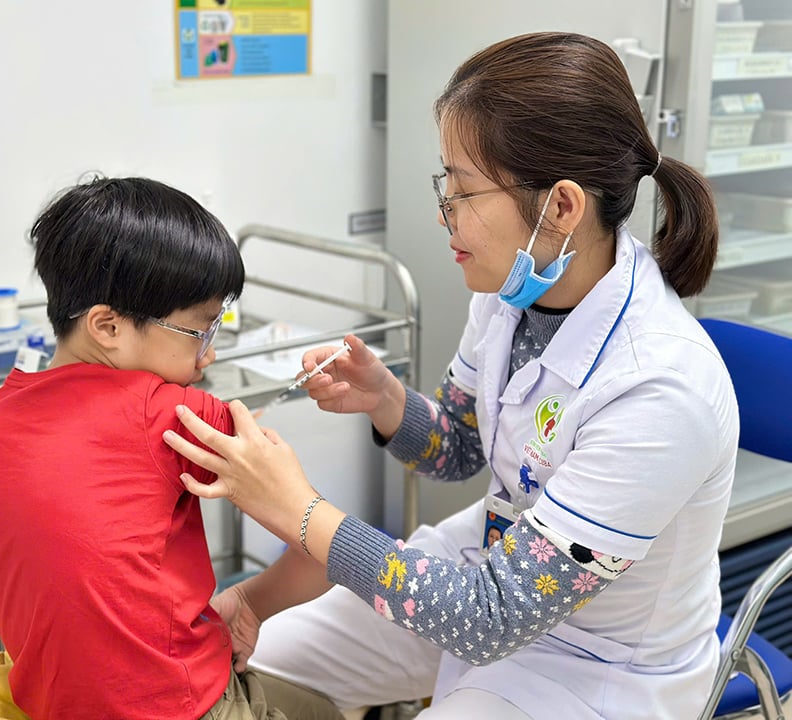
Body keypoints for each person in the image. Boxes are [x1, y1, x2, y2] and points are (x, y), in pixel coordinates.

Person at [161, 32, 739, 720]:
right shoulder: (513, 293)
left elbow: (491, 616)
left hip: (597, 666)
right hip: (479, 575)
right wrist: (387, 401)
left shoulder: (661, 390)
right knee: (255, 660)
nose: (445, 215)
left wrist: (299, 509)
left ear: (560, 208)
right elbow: (461, 445)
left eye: (462, 191)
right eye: (446, 183)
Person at [0, 176, 330, 720]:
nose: (206, 358)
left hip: (51, 705)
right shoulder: (173, 414)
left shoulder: (0, 414)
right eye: (199, 332)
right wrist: (250, 604)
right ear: (108, 326)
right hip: (179, 707)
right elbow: (322, 553)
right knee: (324, 709)